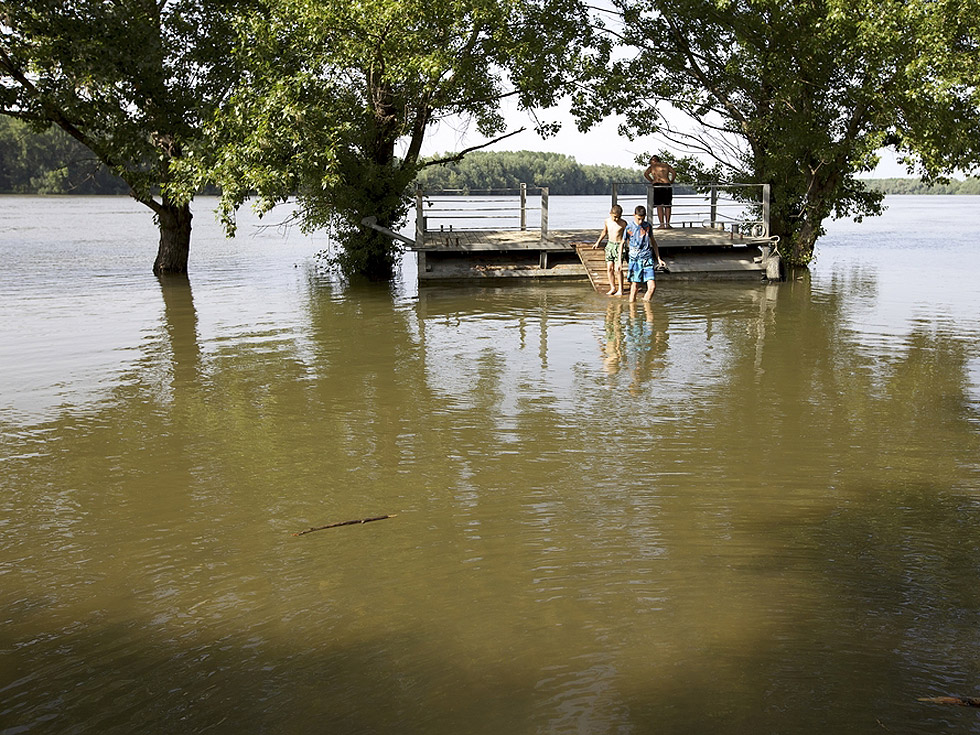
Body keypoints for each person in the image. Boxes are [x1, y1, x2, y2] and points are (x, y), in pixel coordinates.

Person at [624, 205, 666, 303]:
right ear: (634, 215)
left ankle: (646, 307)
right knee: (634, 287)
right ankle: (632, 311)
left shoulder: (648, 226)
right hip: (635, 260)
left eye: (642, 219)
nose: (640, 222)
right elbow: (623, 242)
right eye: (638, 219)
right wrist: (619, 262)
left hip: (648, 259)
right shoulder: (629, 227)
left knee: (652, 287)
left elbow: (653, 242)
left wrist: (659, 258)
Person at [592, 204, 628, 296]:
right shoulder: (607, 221)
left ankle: (621, 289)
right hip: (610, 245)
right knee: (609, 268)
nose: (616, 219)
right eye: (615, 217)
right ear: (610, 213)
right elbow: (604, 232)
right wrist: (598, 242)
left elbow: (628, 236)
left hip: (619, 246)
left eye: (618, 217)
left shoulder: (623, 223)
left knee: (618, 269)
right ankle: (612, 287)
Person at [643, 155, 678, 229]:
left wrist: (652, 181)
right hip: (667, 185)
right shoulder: (666, 165)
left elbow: (646, 174)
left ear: (653, 161)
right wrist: (671, 181)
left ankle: (662, 224)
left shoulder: (652, 166)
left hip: (658, 185)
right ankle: (667, 224)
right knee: (667, 205)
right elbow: (674, 173)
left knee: (659, 205)